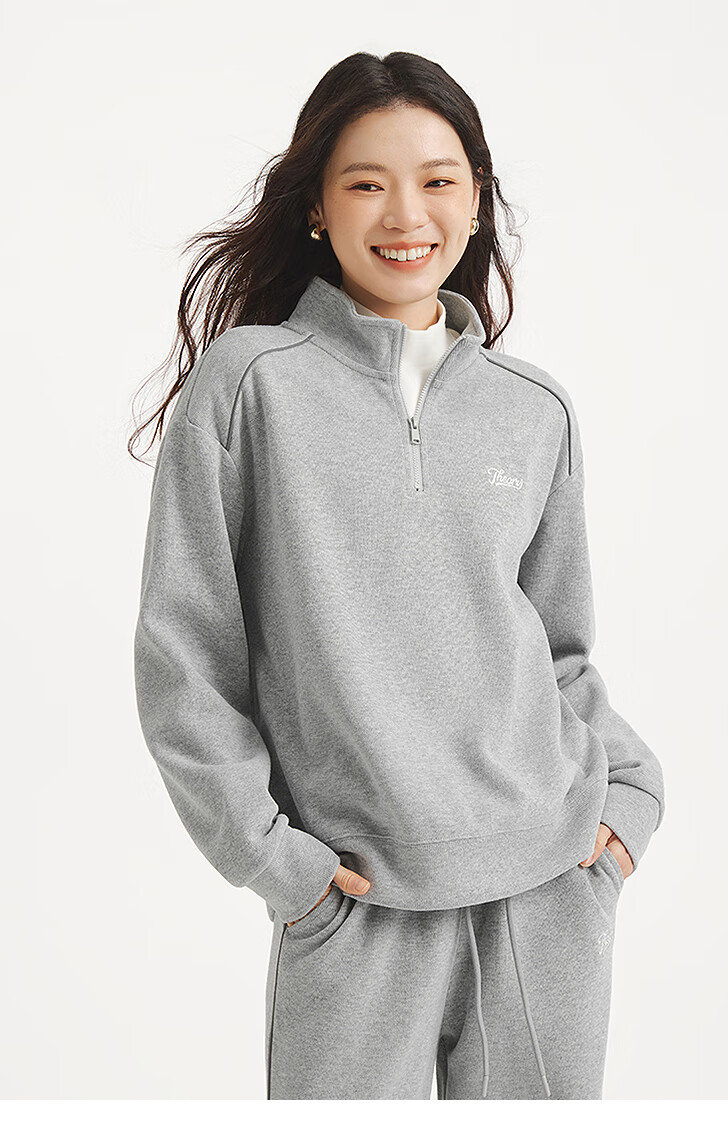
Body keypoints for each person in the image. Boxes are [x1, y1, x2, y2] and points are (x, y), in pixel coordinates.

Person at [130, 51, 665, 1101]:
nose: (406, 213)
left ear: (477, 199)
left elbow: (559, 649)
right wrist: (278, 865)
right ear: (317, 207)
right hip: (354, 894)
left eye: (438, 179)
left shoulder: (533, 408)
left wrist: (627, 804)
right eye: (367, 182)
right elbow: (183, 654)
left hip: (550, 881)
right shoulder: (248, 387)